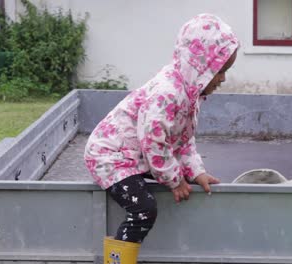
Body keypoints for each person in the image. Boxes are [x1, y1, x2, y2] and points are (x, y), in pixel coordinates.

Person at [84, 13, 239, 264]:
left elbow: (183, 141)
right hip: (111, 156)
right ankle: (116, 262)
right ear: (200, 66)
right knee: (144, 209)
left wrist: (195, 171)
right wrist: (174, 179)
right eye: (220, 71)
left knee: (166, 181)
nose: (223, 79)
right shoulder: (168, 92)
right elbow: (153, 141)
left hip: (135, 156)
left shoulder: (190, 95)